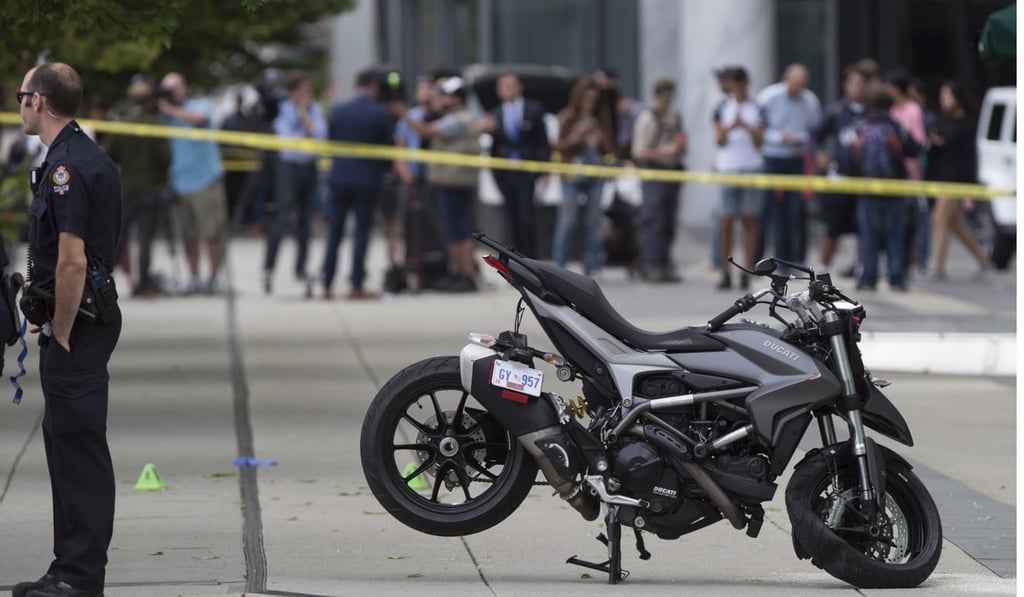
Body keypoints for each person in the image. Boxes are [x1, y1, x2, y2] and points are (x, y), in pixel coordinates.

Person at [13, 62, 122, 597]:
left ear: (39, 101)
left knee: (78, 448)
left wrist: (59, 330)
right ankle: (67, 570)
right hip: (81, 319)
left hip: (78, 323)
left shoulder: (68, 169)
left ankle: (79, 577)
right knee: (66, 443)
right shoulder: (75, 155)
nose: (18, 104)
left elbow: (72, 262)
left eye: (21, 95)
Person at [396, 77, 480, 292]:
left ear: (457, 98)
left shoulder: (458, 119)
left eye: (446, 95)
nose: (441, 99)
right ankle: (461, 272)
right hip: (455, 179)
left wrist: (402, 114)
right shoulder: (459, 117)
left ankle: (463, 274)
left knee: (456, 230)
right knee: (459, 228)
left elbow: (428, 131)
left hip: (453, 180)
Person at [321, 68, 394, 300]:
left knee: (334, 233)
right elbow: (387, 150)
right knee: (362, 233)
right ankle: (356, 284)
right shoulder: (380, 113)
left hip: (339, 177)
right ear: (374, 86)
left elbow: (330, 141)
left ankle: (326, 284)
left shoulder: (339, 110)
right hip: (367, 180)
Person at [159, 72, 227, 294]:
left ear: (185, 88)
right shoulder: (162, 116)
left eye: (175, 87)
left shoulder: (200, 106)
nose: (172, 92)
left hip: (205, 181)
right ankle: (194, 277)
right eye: (167, 89)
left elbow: (200, 119)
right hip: (179, 184)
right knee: (188, 236)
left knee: (212, 233)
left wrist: (170, 110)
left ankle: (213, 278)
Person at [262, 74, 327, 297]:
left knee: (305, 223)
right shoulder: (283, 110)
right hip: (289, 169)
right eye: (304, 90)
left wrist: (304, 114)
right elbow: (287, 144)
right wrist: (305, 136)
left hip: (309, 168)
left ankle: (301, 268)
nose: (308, 95)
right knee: (281, 219)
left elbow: (320, 136)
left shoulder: (313, 110)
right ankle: (269, 268)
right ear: (294, 92)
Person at [105, 81, 171, 298]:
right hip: (152, 187)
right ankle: (143, 285)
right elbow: (166, 158)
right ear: (151, 100)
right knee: (145, 239)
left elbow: (110, 154)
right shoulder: (155, 124)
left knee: (120, 236)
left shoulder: (122, 123)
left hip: (128, 187)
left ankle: (103, 279)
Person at [852, 87, 920, 291]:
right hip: (895, 189)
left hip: (867, 190)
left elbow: (850, 158)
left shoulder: (861, 128)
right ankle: (896, 278)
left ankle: (868, 278)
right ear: (891, 106)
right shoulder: (897, 127)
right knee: (895, 236)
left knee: (869, 237)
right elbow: (914, 150)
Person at [924, 80, 990, 280]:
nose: (944, 99)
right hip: (941, 177)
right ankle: (983, 259)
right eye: (943, 95)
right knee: (956, 224)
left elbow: (968, 156)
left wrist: (970, 185)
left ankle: (937, 268)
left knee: (939, 219)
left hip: (957, 180)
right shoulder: (941, 119)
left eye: (948, 95)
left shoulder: (968, 123)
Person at [756, 63, 821, 266]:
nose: (798, 89)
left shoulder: (810, 100)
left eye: (802, 85)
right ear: (786, 80)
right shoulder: (768, 97)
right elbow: (757, 130)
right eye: (795, 84)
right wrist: (778, 137)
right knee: (765, 210)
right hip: (772, 157)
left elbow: (814, 131)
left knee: (795, 211)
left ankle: (792, 258)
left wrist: (799, 138)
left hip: (796, 159)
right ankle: (758, 258)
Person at [479, 73, 550, 257]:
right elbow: (493, 147)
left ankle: (530, 256)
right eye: (503, 86)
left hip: (526, 170)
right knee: (510, 216)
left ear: (519, 88)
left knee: (526, 216)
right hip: (505, 171)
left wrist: (545, 169)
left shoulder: (533, 109)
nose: (507, 90)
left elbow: (542, 141)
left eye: (511, 86)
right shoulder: (494, 113)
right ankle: (514, 256)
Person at [551, 77, 616, 276]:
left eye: (594, 99)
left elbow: (609, 150)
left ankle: (593, 264)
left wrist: (599, 138)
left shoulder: (601, 119)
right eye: (587, 98)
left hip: (596, 173)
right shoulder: (568, 117)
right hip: (572, 173)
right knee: (568, 220)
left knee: (593, 219)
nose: (590, 102)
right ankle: (560, 264)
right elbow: (558, 146)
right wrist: (575, 138)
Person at [811, 64, 869, 273]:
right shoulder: (836, 111)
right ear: (846, 86)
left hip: (865, 180)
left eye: (863, 84)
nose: (859, 88)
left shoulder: (873, 112)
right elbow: (815, 136)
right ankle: (822, 268)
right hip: (840, 178)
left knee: (865, 226)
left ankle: (863, 266)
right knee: (833, 226)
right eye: (855, 83)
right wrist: (820, 154)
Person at [713, 66, 764, 290]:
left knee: (749, 219)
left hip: (751, 166)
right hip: (729, 167)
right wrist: (731, 126)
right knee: (726, 220)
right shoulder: (722, 107)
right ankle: (725, 270)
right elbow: (719, 139)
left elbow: (760, 141)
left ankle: (746, 270)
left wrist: (747, 127)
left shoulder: (756, 108)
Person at [631, 77, 687, 282]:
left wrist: (680, 149)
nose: (667, 102)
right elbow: (638, 152)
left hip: (673, 172)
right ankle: (651, 264)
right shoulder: (648, 117)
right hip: (653, 173)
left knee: (668, 222)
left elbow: (682, 143)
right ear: (656, 97)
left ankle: (665, 263)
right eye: (664, 98)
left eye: (670, 98)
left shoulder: (675, 117)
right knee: (652, 220)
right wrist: (665, 151)